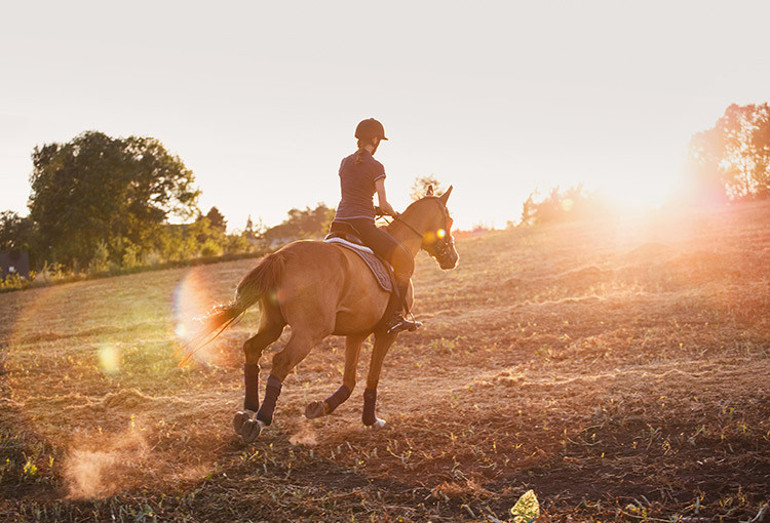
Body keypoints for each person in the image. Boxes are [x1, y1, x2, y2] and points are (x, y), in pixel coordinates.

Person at [331, 118, 421, 335]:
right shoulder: (376, 166)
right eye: (379, 139)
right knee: (405, 260)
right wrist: (393, 213)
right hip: (362, 225)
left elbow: (354, 195)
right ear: (375, 139)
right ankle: (394, 317)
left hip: (339, 224)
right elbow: (383, 203)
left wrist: (371, 208)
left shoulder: (344, 162)